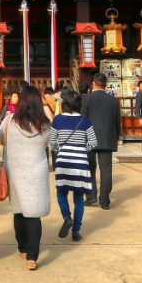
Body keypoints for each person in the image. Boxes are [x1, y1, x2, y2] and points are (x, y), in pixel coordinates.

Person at [0, 84, 51, 270]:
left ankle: (22, 247)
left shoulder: (9, 121)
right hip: (36, 171)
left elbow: (0, 138)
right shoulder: (44, 124)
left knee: (19, 210)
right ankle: (32, 256)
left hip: (15, 170)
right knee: (33, 214)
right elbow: (47, 143)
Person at [50, 88, 97, 242]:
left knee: (61, 192)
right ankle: (76, 231)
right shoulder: (85, 120)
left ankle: (66, 216)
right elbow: (93, 142)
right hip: (80, 163)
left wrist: (61, 149)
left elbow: (52, 143)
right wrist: (82, 150)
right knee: (78, 198)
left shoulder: (57, 120)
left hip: (63, 161)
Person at [82, 72, 122, 210]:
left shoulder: (87, 99)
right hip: (107, 138)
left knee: (89, 168)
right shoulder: (113, 100)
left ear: (93, 84)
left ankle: (91, 195)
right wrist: (116, 136)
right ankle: (105, 201)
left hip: (89, 138)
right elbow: (117, 120)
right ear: (106, 85)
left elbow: (83, 120)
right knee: (106, 170)